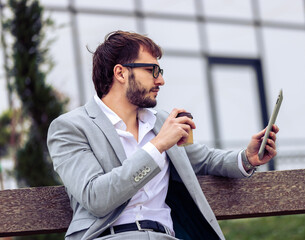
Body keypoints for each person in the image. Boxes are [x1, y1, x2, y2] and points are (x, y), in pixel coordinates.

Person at [47, 30, 279, 240]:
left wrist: (248, 158)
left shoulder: (160, 122)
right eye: (152, 70)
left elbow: (205, 159)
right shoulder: (70, 128)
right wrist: (157, 146)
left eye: (160, 71)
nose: (161, 80)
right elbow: (96, 198)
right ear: (120, 73)